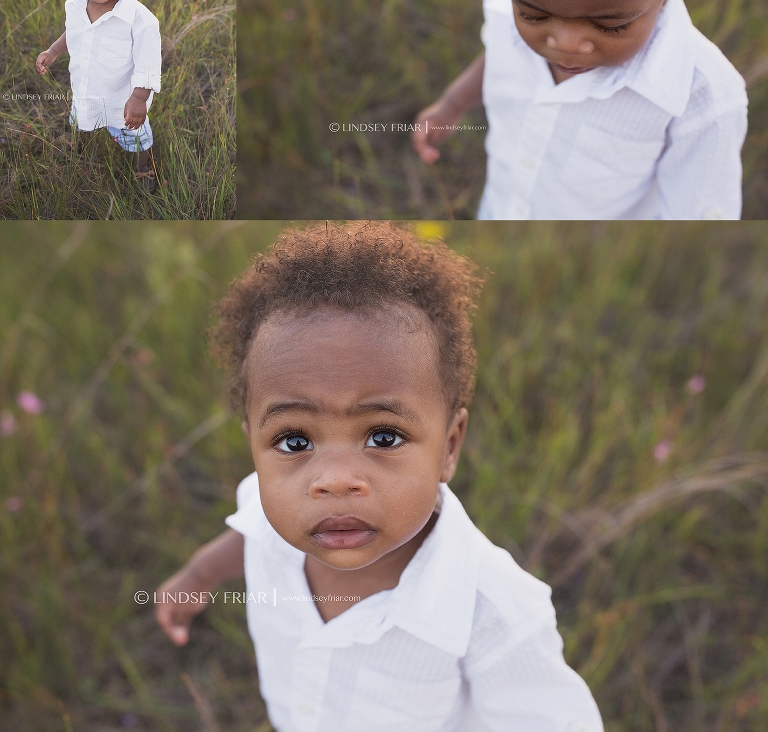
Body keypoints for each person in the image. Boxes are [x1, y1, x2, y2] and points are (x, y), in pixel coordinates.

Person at [155, 222, 604, 732]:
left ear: (449, 447)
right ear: (253, 445)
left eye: (383, 437)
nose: (336, 480)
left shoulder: (490, 610)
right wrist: (199, 577)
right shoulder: (272, 512)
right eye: (295, 442)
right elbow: (250, 536)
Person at [411, 0, 748, 220]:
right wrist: (452, 104)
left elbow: (698, 216)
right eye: (533, 16)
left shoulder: (701, 98)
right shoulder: (500, 5)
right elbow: (499, 54)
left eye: (610, 25)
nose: (566, 44)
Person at [36, 0, 161, 190]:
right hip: (86, 88)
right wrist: (53, 50)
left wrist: (139, 98)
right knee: (83, 117)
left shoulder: (140, 20)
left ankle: (143, 169)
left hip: (123, 102)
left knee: (136, 138)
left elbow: (148, 63)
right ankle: (81, 145)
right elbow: (74, 33)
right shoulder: (74, 5)